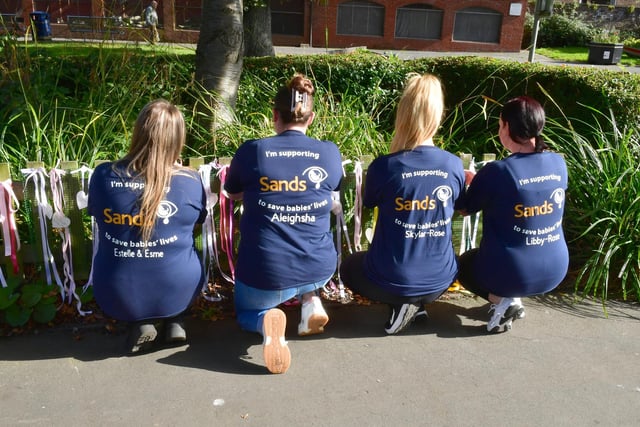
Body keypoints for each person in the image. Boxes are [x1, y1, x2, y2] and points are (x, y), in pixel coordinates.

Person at [224, 73, 342, 374]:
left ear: (274, 115)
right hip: (319, 265)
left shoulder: (253, 151)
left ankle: (265, 322)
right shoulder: (329, 152)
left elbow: (233, 191)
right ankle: (311, 299)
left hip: (266, 271)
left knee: (246, 312)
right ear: (311, 117)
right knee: (305, 254)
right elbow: (332, 188)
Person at [339, 73, 465, 335]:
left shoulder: (386, 166)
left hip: (392, 280)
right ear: (438, 114)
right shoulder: (453, 164)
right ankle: (416, 305)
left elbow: (370, 200)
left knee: (350, 267)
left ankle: (403, 302)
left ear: (403, 113)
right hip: (441, 280)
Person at [88, 99, 207, 354]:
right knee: (181, 253)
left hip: (117, 290)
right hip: (181, 287)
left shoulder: (104, 175)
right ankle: (175, 319)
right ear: (177, 139)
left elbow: (98, 216)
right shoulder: (191, 181)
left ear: (138, 131)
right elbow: (196, 223)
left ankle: (140, 321)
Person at [455, 96, 569, 333]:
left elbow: (465, 208)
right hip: (555, 271)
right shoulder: (558, 163)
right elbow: (527, 194)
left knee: (464, 265)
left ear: (506, 127)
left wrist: (464, 182)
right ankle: (510, 300)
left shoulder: (498, 171)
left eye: (499, 125)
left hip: (513, 272)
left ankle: (504, 301)